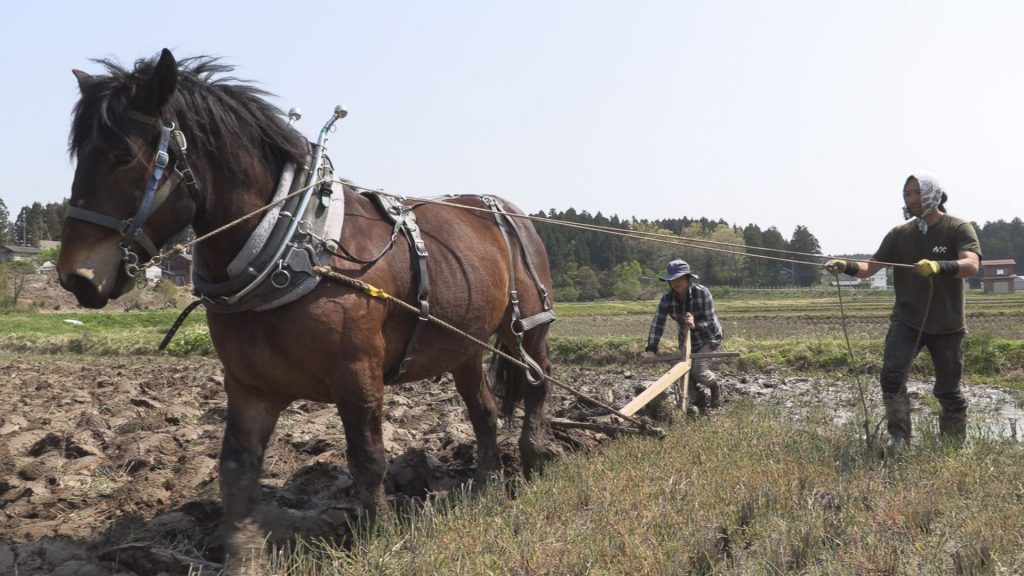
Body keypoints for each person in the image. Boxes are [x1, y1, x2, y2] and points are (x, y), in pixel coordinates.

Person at [825, 172, 981, 449]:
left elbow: (971, 265)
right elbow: (868, 269)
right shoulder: (900, 234)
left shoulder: (957, 227)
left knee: (947, 390)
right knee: (892, 378)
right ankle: (899, 439)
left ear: (934, 194)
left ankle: (953, 445)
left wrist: (938, 265)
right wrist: (845, 266)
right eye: (907, 194)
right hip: (906, 320)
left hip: (947, 325)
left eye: (918, 193)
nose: (912, 199)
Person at [643, 259, 725, 414]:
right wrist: (651, 349)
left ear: (688, 278)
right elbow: (658, 323)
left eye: (680, 278)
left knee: (699, 370)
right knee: (681, 370)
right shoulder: (667, 299)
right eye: (673, 279)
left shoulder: (702, 293)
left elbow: (711, 321)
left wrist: (695, 325)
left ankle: (714, 387)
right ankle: (698, 400)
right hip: (686, 341)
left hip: (709, 338)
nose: (676, 282)